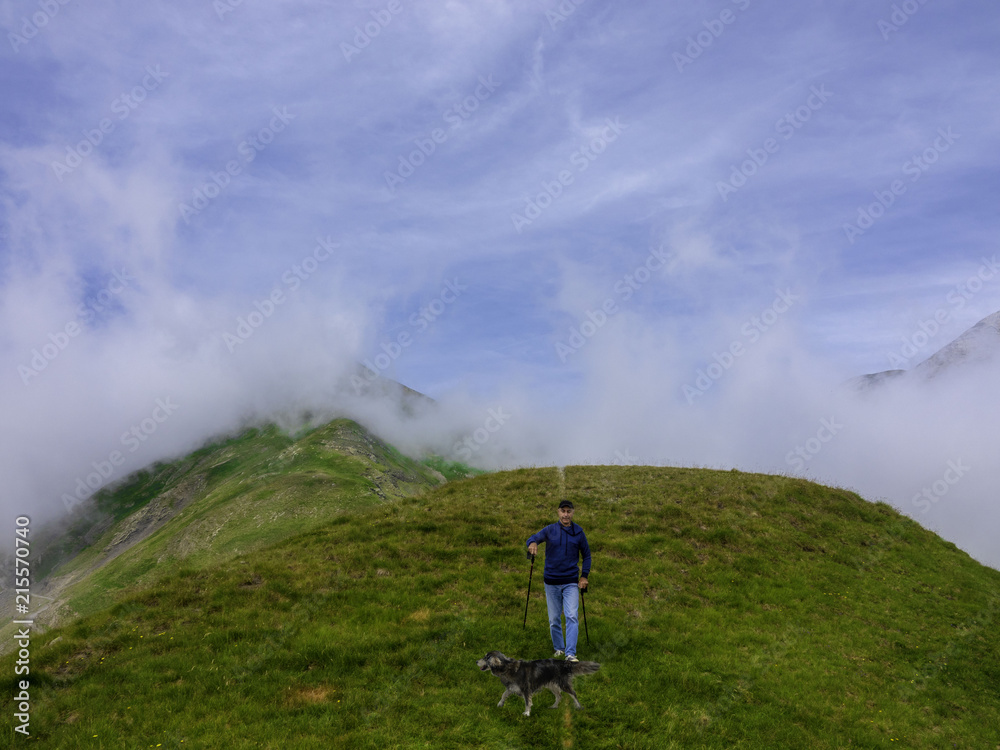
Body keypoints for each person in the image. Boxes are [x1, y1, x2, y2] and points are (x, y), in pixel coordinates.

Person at [526, 499, 591, 662]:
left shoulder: (579, 532)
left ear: (573, 513)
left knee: (571, 616)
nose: (566, 514)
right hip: (551, 582)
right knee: (554, 618)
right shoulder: (550, 530)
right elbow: (533, 538)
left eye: (569, 511)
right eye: (563, 511)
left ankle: (570, 653)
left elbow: (587, 555)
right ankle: (559, 648)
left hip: (570, 582)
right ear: (558, 512)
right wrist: (532, 543)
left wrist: (584, 576)